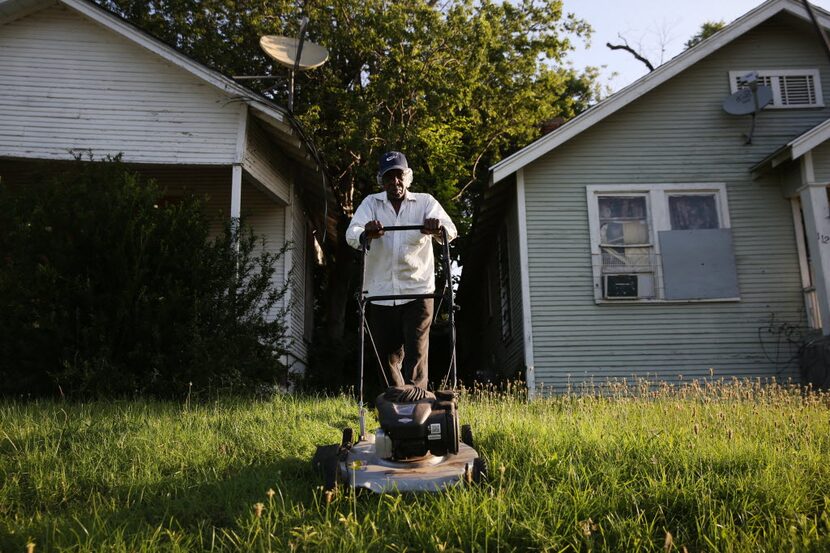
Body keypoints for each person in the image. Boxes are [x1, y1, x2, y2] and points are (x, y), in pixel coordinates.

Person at [346, 151, 457, 390]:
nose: (394, 182)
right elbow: (351, 234)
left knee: (417, 353)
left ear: (407, 177)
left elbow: (450, 230)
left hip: (418, 291)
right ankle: (396, 404)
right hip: (379, 292)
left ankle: (418, 405)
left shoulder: (426, 202)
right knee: (387, 357)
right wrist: (367, 232)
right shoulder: (371, 204)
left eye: (398, 176)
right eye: (388, 177)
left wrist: (436, 229)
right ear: (381, 180)